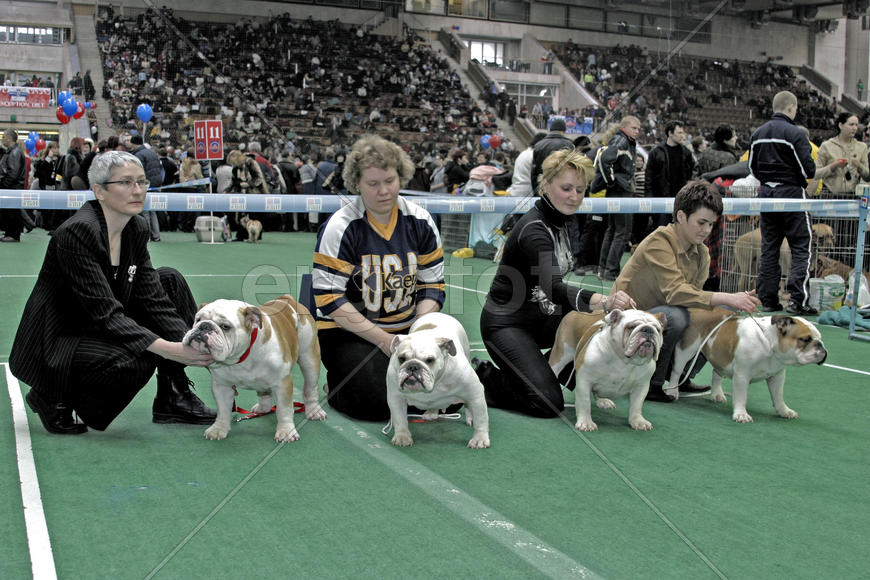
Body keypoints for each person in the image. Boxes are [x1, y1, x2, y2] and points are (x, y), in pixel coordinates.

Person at [9, 151, 216, 434]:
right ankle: (53, 394)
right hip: (60, 337)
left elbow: (153, 298)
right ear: (99, 191)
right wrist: (170, 350)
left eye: (142, 182)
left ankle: (173, 395)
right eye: (126, 182)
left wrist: (198, 350)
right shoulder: (77, 232)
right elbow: (105, 312)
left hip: (94, 322)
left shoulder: (137, 227)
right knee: (139, 358)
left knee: (169, 280)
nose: (137, 190)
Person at [474, 149, 634, 417]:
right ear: (545, 185)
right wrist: (604, 301)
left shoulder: (562, 221)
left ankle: (549, 371)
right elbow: (554, 288)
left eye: (580, 190)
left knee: (594, 322)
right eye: (566, 188)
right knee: (548, 403)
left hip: (543, 318)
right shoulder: (534, 229)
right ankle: (484, 377)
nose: (574, 197)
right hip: (506, 324)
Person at [312, 135, 445, 421]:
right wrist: (384, 340)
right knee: (376, 403)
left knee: (446, 393)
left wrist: (418, 335)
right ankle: (337, 384)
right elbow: (329, 300)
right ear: (356, 184)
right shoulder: (341, 227)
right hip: (349, 333)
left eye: (390, 180)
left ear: (401, 176)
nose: (383, 191)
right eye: (372, 184)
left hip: (408, 328)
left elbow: (432, 287)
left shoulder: (420, 220)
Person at [613, 180, 760, 402]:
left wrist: (726, 307)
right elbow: (676, 293)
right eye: (701, 222)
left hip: (660, 321)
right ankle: (652, 384)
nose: (706, 230)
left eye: (711, 224)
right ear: (681, 216)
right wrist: (728, 297)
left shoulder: (702, 253)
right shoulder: (658, 241)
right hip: (628, 323)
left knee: (717, 315)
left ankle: (681, 377)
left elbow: (695, 301)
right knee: (677, 316)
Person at [748, 90, 818, 315]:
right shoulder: (795, 134)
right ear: (791, 108)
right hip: (792, 196)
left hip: (767, 194)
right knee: (801, 247)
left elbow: (752, 168)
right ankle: (798, 300)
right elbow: (809, 169)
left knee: (769, 248)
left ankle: (768, 299)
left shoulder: (757, 134)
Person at [591, 115, 641, 281]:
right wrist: (612, 181)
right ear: (624, 127)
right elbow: (605, 160)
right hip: (620, 192)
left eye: (639, 129)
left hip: (618, 191)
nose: (638, 131)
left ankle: (604, 269)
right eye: (634, 128)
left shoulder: (624, 141)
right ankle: (610, 271)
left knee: (613, 230)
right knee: (622, 231)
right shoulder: (621, 141)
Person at [644, 121, 695, 228]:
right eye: (679, 132)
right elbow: (649, 178)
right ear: (670, 133)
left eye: (682, 132)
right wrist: (649, 198)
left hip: (681, 200)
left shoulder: (686, 152)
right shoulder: (656, 152)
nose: (682, 135)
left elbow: (693, 171)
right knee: (662, 230)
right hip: (661, 199)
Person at [814, 112, 870, 196]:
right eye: (851, 125)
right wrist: (833, 166)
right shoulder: (827, 146)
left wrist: (859, 165)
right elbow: (816, 174)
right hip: (829, 195)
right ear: (841, 125)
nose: (854, 128)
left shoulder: (862, 147)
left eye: (856, 125)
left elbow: (867, 177)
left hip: (852, 196)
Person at [126, 134, 162, 241]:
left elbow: (138, 171)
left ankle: (147, 235)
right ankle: (156, 235)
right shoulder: (152, 152)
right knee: (153, 210)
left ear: (133, 143)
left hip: (146, 184)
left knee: (145, 210)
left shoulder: (138, 155)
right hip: (156, 183)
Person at [0, 129, 26, 242]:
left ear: (9, 138)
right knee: (11, 211)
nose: (2, 139)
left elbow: (13, 173)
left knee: (12, 212)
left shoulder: (15, 152)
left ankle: (13, 235)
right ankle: (10, 233)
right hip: (12, 186)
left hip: (12, 187)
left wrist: (4, 185)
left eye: (3, 136)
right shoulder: (12, 151)